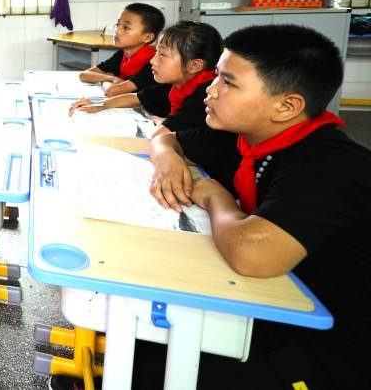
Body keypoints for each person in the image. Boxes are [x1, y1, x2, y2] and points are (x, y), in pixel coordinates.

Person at [141, 24, 370, 389]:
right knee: (148, 347)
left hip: (330, 343)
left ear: (286, 106)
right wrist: (167, 158)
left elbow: (254, 255)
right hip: (271, 301)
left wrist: (217, 198)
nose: (211, 90)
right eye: (216, 76)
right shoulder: (246, 137)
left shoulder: (328, 164)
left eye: (228, 83)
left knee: (158, 370)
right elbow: (166, 139)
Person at [70, 21, 222, 137]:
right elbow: (137, 97)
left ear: (194, 65)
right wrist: (101, 105)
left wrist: (163, 124)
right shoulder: (175, 84)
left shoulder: (204, 95)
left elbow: (159, 136)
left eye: (162, 55)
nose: (152, 61)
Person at [78, 3, 164, 97]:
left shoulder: (152, 63)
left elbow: (113, 91)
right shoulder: (123, 54)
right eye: (118, 24)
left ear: (148, 37)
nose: (117, 30)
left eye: (126, 27)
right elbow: (84, 75)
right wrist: (111, 78)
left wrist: (104, 79)